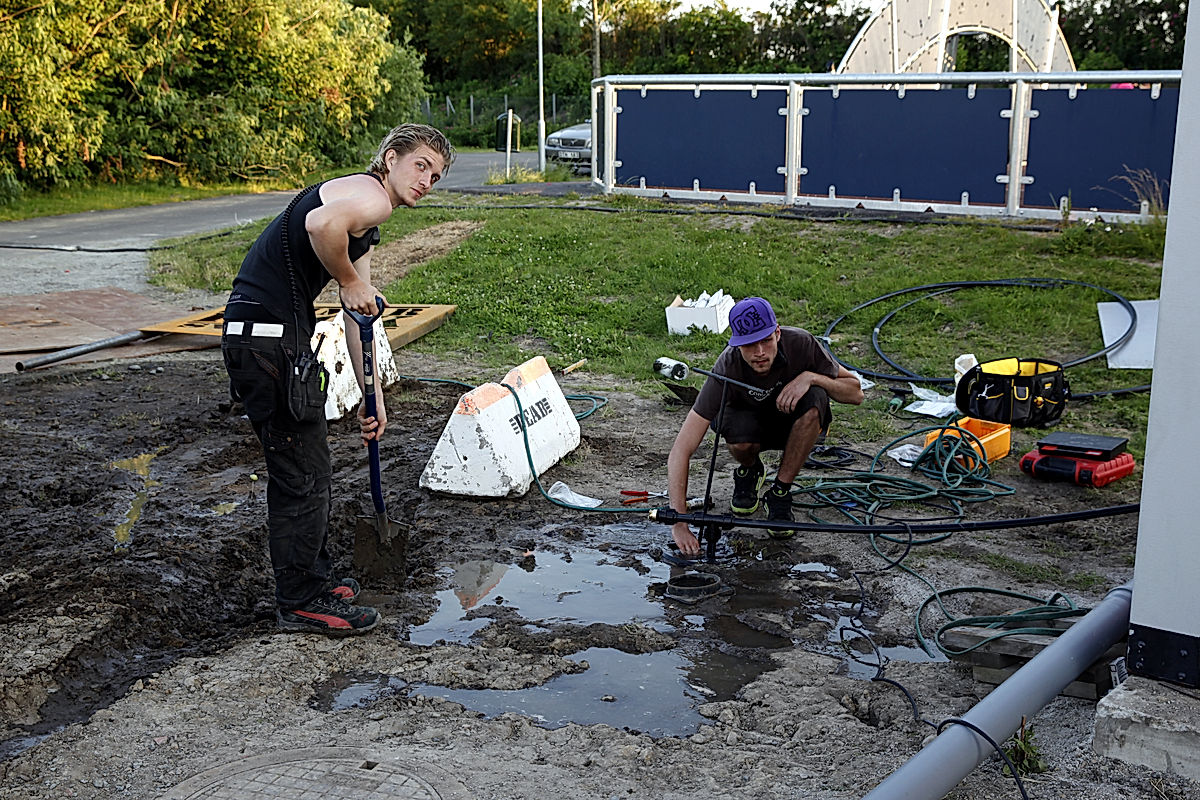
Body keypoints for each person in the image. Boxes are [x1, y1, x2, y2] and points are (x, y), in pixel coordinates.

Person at [221, 124, 454, 635]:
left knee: (308, 463)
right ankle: (302, 600)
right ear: (390, 158)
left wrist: (373, 396)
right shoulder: (371, 197)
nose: (426, 181)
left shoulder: (363, 218)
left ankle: (312, 581)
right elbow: (321, 226)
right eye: (420, 166)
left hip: (263, 338)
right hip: (269, 340)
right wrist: (347, 281)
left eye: (435, 176)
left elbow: (357, 316)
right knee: (302, 472)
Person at [666, 296, 864, 558]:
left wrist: (811, 377)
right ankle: (750, 471)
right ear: (736, 344)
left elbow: (856, 393)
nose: (759, 352)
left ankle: (780, 491)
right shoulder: (726, 366)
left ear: (778, 333)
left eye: (766, 341)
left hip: (792, 424)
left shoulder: (802, 344)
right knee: (731, 423)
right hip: (749, 428)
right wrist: (679, 522)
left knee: (817, 397)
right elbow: (681, 449)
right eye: (749, 344)